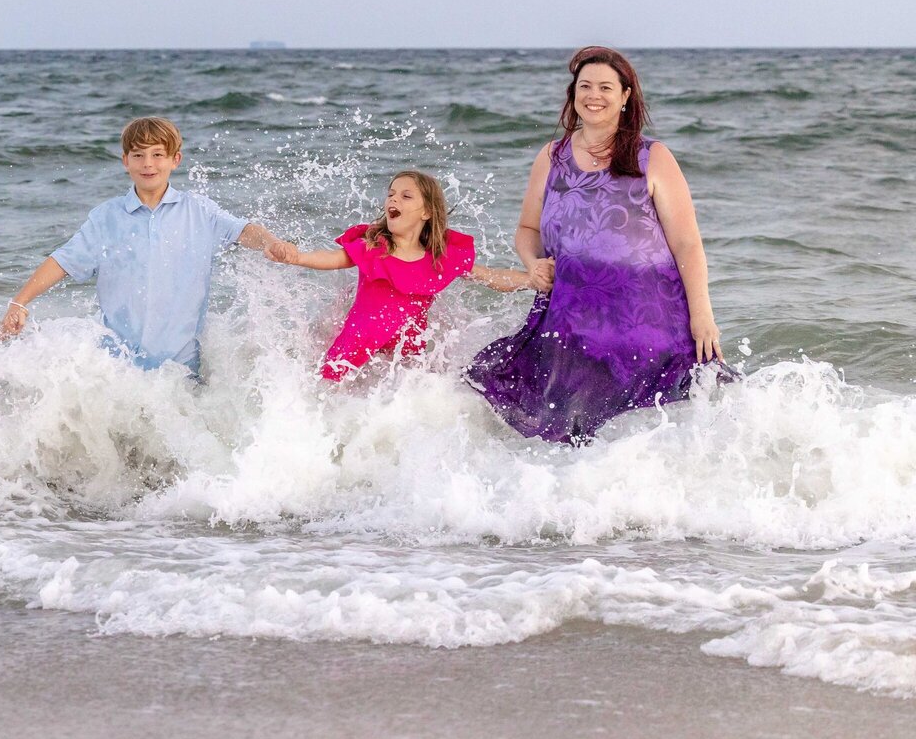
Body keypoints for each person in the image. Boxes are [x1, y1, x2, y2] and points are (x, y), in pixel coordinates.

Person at [466, 45, 727, 444]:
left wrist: (702, 315)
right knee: (572, 432)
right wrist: (531, 263)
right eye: (584, 86)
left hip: (648, 322)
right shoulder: (552, 156)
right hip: (571, 322)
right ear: (573, 95)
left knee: (657, 429)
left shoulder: (652, 157)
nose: (594, 95)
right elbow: (526, 229)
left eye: (606, 87)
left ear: (625, 96)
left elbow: (687, 244)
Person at [0, 116, 290, 373]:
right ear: (125, 161)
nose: (148, 163)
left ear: (176, 159)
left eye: (158, 155)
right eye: (138, 155)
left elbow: (244, 230)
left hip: (181, 369)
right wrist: (19, 301)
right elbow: (63, 261)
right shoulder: (106, 217)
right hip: (117, 366)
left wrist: (273, 243)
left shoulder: (199, 211)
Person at [268, 170, 551, 380]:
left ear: (427, 211)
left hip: (406, 350)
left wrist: (529, 280)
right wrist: (297, 257)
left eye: (405, 196)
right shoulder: (373, 247)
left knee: (405, 402)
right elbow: (333, 258)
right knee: (329, 392)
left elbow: (489, 276)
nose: (393, 199)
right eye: (391, 194)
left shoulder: (440, 259)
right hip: (357, 341)